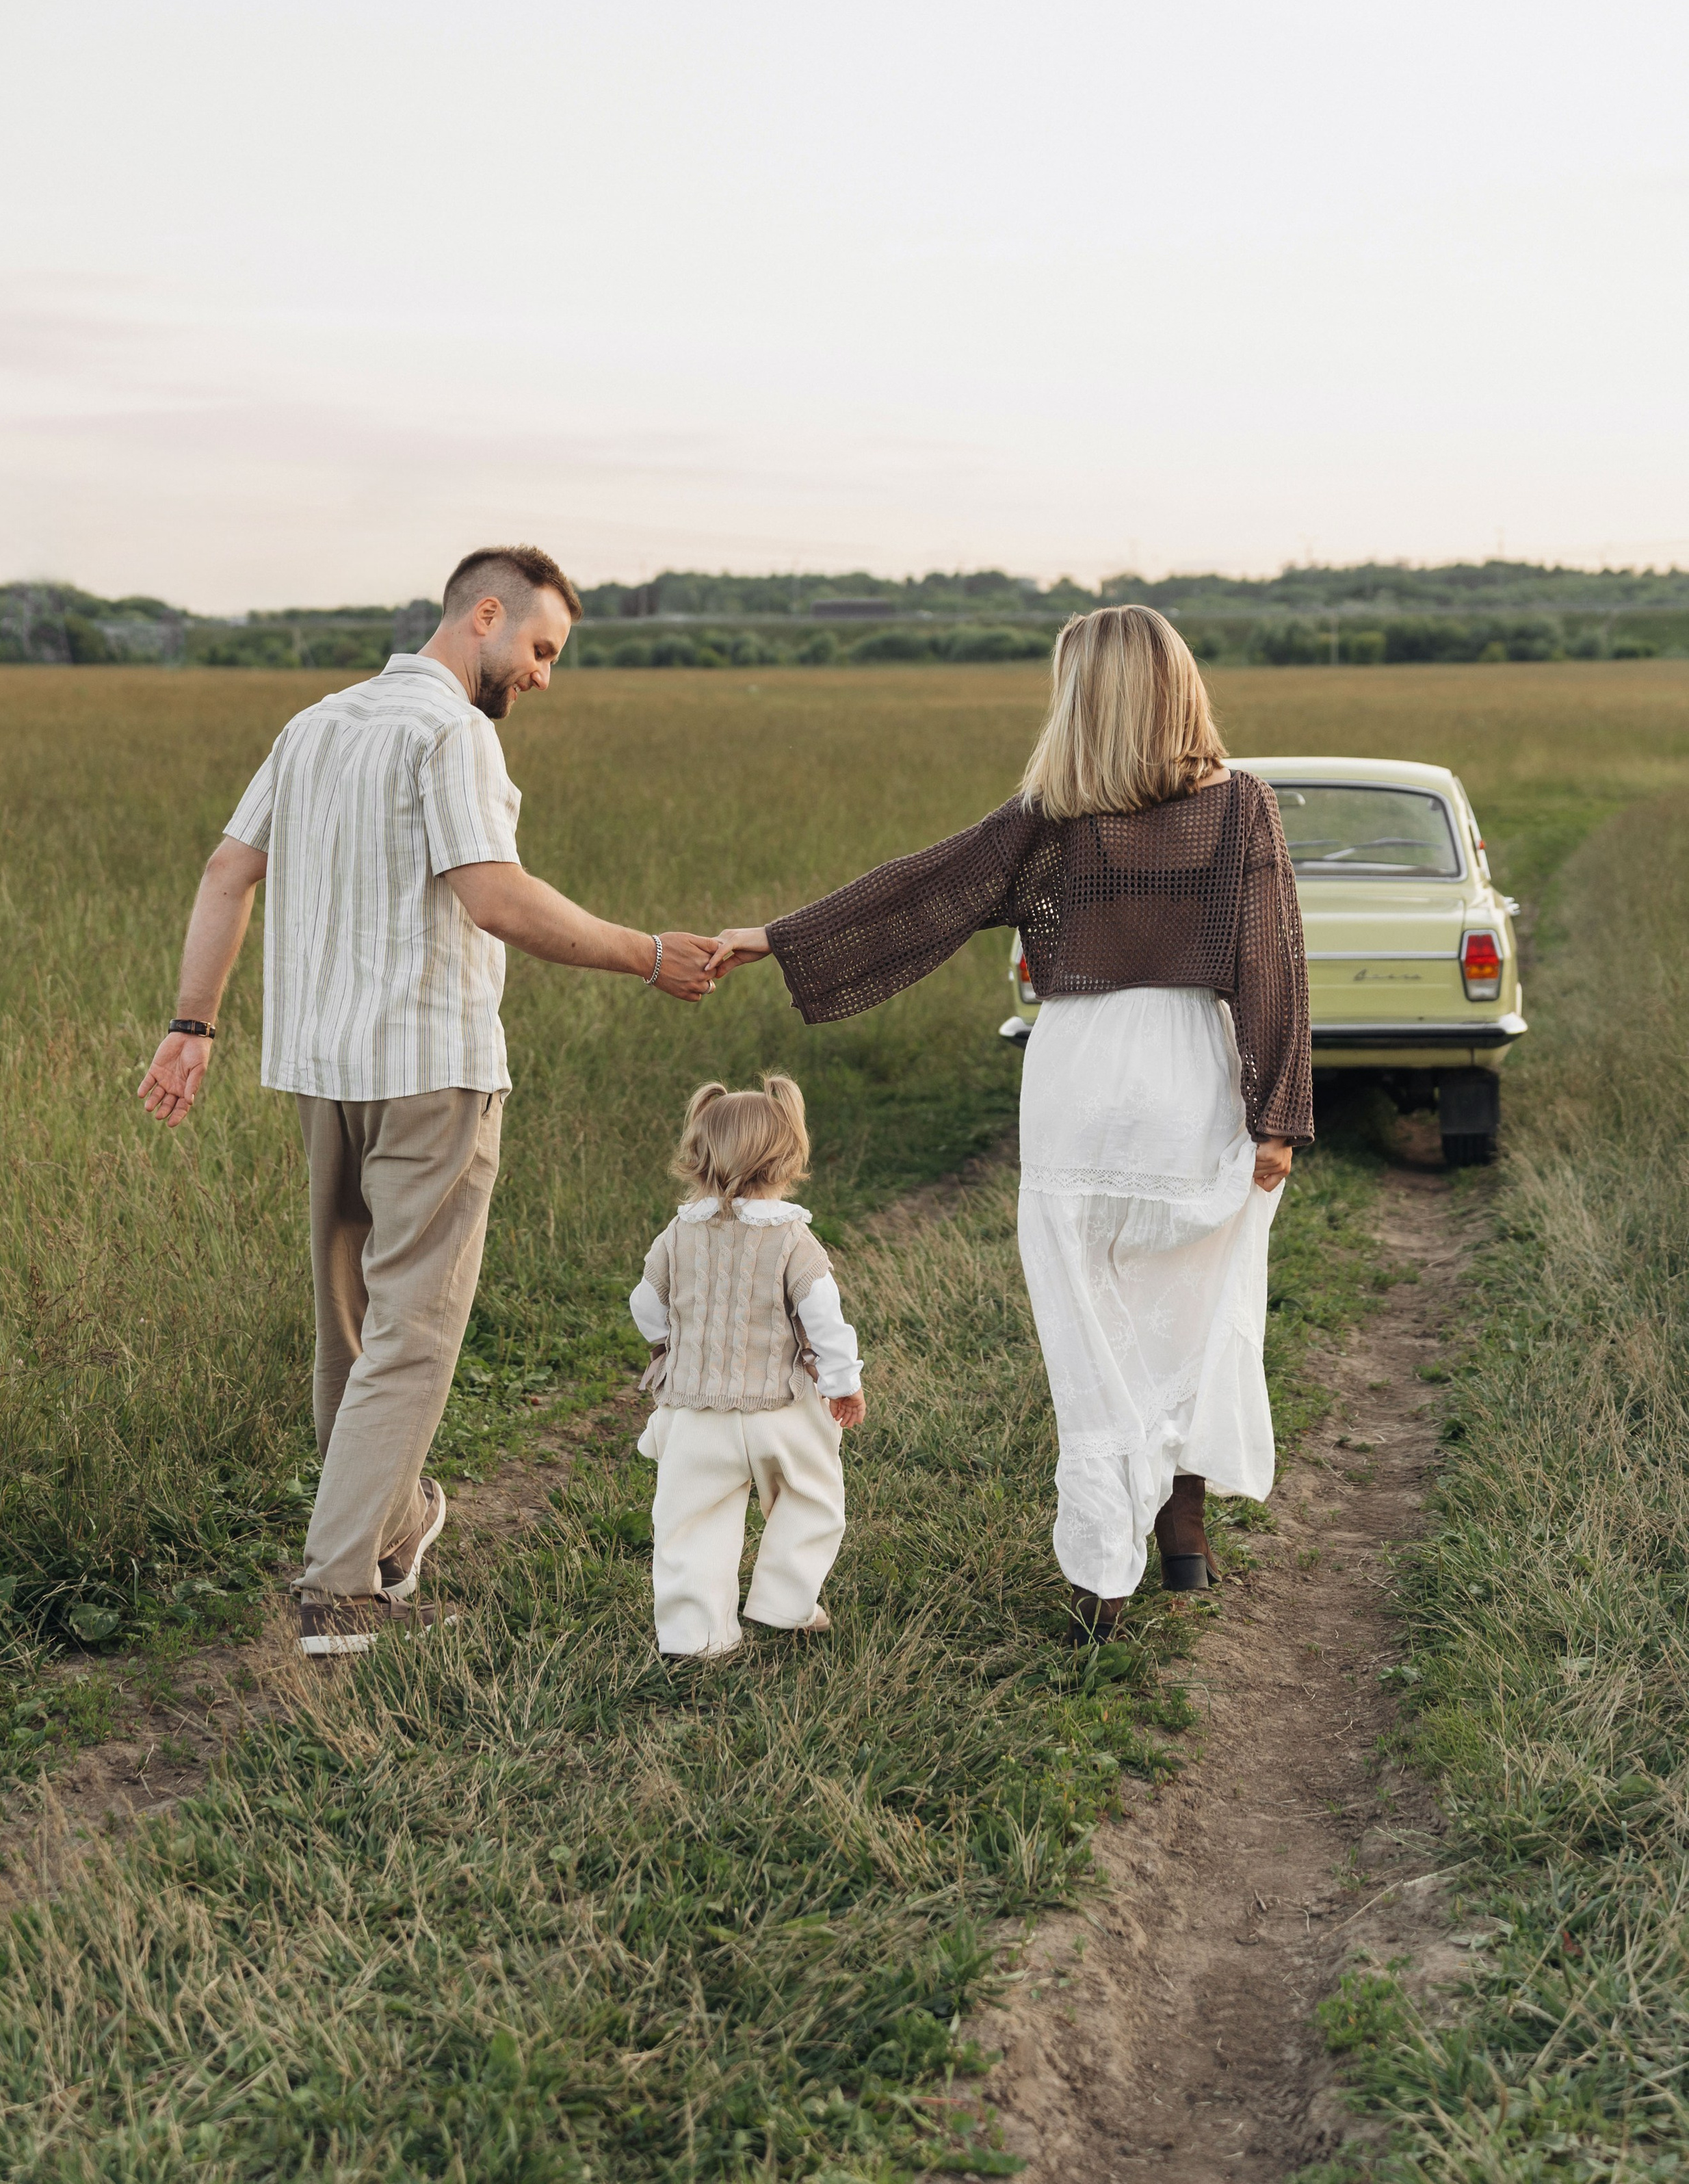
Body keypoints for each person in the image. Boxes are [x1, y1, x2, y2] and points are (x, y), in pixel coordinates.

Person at [136, 543, 725, 1662]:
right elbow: (493, 895)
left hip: (322, 1072)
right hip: (431, 1070)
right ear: (484, 616)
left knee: (352, 1329)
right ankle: (340, 1594)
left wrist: (191, 1026)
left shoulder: (315, 725)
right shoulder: (454, 732)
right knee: (411, 1335)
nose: (544, 674)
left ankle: (396, 1528)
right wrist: (648, 955)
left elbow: (225, 872)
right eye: (541, 648)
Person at [705, 605, 1311, 1641]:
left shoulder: (1052, 814)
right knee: (1191, 1311)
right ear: (1179, 688)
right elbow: (1272, 964)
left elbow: (923, 894)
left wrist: (780, 937)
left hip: (1077, 1079)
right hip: (1185, 1079)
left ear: (1083, 697)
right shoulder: (1240, 807)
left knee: (1088, 1327)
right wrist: (1276, 1116)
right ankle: (1183, 1536)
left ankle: (1103, 1577)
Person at [629, 1074, 865, 1659]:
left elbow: (646, 1303)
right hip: (782, 1412)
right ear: (788, 1156)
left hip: (696, 1414)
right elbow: (823, 1316)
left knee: (690, 1519)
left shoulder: (678, 1233)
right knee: (812, 1497)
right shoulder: (792, 1238)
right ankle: (785, 1601)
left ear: (699, 1153)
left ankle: (697, 1635)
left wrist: (668, 1344)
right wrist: (842, 1384)